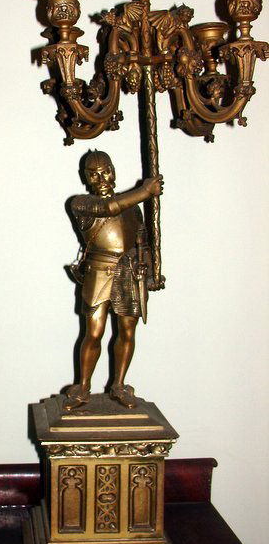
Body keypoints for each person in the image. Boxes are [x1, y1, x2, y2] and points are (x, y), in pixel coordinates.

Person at [67, 150, 163, 410]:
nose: (101, 179)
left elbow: (142, 241)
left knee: (127, 332)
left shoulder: (132, 208)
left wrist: (151, 273)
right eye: (94, 174)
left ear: (113, 171)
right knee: (94, 333)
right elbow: (109, 208)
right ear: (85, 178)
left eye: (106, 171)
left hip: (130, 271)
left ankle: (119, 385)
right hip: (99, 271)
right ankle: (83, 387)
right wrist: (145, 191)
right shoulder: (81, 204)